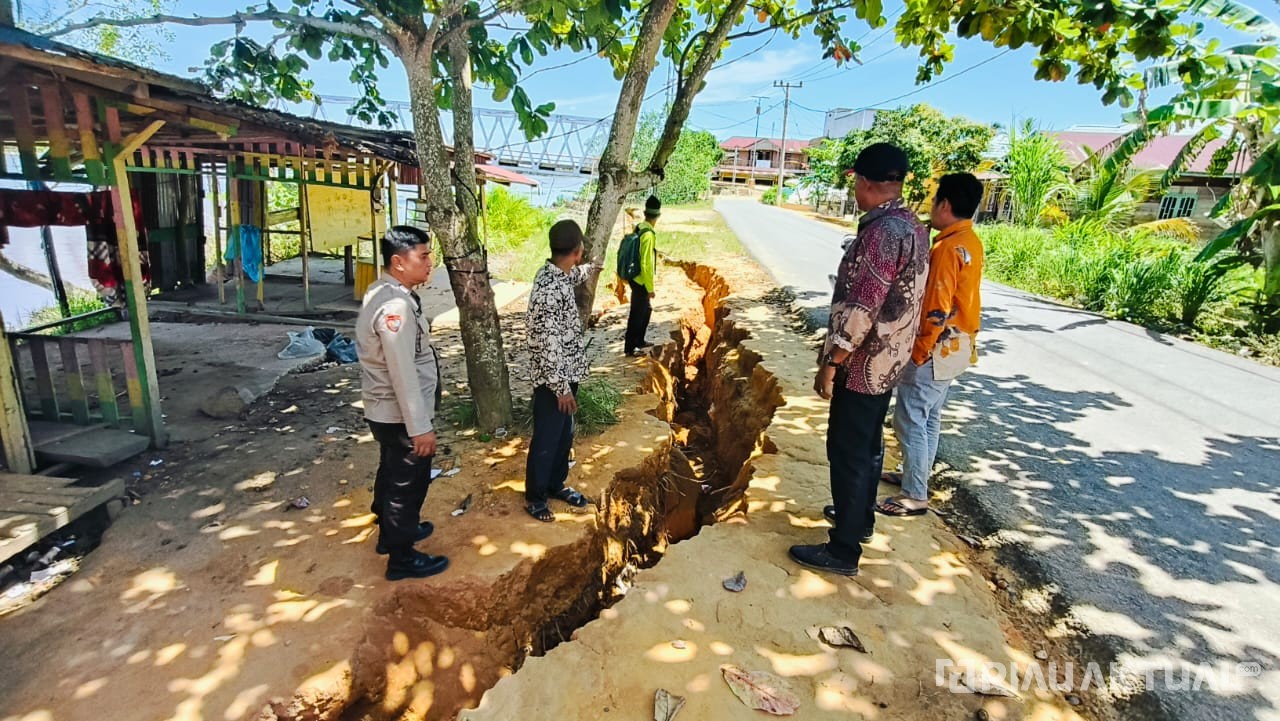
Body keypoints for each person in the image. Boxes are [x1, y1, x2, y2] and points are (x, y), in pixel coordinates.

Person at [789, 143, 930, 576]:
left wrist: (832, 362)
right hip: (889, 362)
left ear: (866, 182)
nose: (853, 188)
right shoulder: (912, 226)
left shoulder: (882, 234)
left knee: (848, 448)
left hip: (863, 363)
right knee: (868, 445)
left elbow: (863, 308)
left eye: (855, 181)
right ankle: (860, 519)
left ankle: (843, 550)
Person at [876, 173, 985, 517]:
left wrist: (919, 352)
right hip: (959, 345)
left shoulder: (946, 249)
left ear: (945, 204)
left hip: (937, 347)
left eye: (934, 201)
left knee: (909, 418)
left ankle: (914, 494)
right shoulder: (971, 241)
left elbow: (936, 307)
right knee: (930, 417)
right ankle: (915, 476)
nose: (931, 208)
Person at [357, 225, 449, 581]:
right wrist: (420, 427)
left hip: (388, 413)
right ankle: (402, 558)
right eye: (423, 256)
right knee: (406, 483)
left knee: (392, 473)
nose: (431, 262)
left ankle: (394, 533)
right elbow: (402, 371)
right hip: (400, 415)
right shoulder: (394, 306)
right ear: (398, 262)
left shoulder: (385, 291)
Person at [525, 219, 594, 522]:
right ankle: (536, 497)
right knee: (547, 438)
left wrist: (591, 270)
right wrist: (560, 388)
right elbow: (546, 342)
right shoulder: (548, 289)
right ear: (577, 251)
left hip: (568, 373)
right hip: (554, 381)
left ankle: (555, 484)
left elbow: (575, 274)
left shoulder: (561, 274)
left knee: (564, 435)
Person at [625, 195, 661, 356]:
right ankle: (631, 347)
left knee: (645, 309)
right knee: (638, 314)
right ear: (657, 216)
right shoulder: (648, 234)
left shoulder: (639, 227)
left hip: (634, 277)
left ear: (646, 214)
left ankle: (639, 341)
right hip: (640, 280)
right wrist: (650, 288)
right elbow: (646, 264)